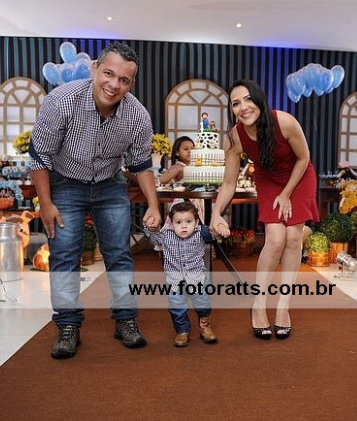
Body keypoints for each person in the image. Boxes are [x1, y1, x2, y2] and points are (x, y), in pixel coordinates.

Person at [29, 42, 161, 359]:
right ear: (94, 69)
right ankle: (68, 326)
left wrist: (155, 205)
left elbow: (141, 164)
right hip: (64, 182)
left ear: (132, 83)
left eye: (124, 80)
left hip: (109, 184)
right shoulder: (61, 101)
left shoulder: (137, 116)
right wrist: (46, 203)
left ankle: (125, 320)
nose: (114, 85)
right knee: (64, 255)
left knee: (119, 254)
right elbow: (39, 156)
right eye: (108, 74)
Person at [210, 79, 319, 340]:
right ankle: (259, 304)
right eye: (236, 103)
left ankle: (283, 306)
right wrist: (215, 213)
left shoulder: (285, 122)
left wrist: (286, 193)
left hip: (299, 177)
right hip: (269, 179)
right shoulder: (235, 137)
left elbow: (304, 158)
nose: (243, 107)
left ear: (259, 99)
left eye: (248, 99)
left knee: (293, 237)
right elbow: (229, 183)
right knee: (275, 239)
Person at [144, 201, 217, 347]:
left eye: (188, 222)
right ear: (171, 224)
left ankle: (205, 327)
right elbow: (153, 237)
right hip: (175, 281)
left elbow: (214, 235)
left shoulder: (201, 233)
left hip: (197, 279)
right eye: (178, 222)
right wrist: (149, 226)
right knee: (177, 308)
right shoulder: (166, 235)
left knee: (203, 305)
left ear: (196, 223)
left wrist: (219, 229)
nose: (184, 226)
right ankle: (182, 331)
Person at [158, 136, 205, 223]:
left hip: (197, 200)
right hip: (183, 203)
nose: (190, 151)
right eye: (186, 149)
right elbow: (162, 179)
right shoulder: (178, 167)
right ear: (177, 152)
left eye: (192, 149)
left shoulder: (194, 166)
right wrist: (179, 169)